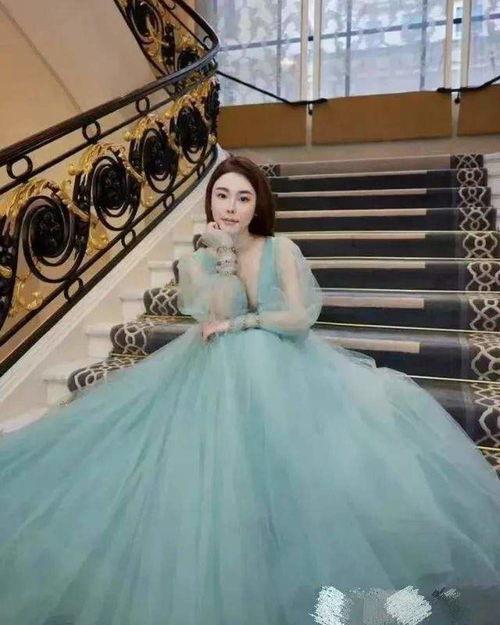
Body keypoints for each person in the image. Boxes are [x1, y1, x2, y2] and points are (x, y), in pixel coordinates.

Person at [0, 155, 499, 625]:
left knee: (284, 418)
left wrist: (247, 324)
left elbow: (298, 318)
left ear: (258, 203)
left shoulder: (281, 249)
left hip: (280, 360)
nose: (231, 207)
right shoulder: (198, 260)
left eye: (243, 197)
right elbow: (215, 313)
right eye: (222, 195)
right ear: (210, 200)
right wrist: (220, 257)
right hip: (211, 366)